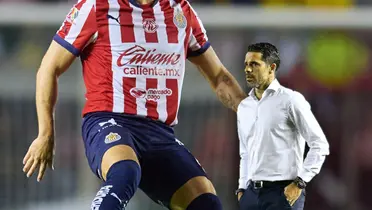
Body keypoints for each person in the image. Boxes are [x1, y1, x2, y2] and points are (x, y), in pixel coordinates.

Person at [21, 0, 247, 209]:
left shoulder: (181, 11)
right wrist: (45, 133)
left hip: (160, 133)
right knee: (125, 172)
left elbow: (219, 77)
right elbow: (49, 68)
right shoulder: (97, 6)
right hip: (108, 121)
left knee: (206, 203)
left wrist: (254, 114)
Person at [236, 42, 330, 210]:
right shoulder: (244, 107)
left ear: (271, 67)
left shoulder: (290, 100)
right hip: (251, 194)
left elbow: (320, 145)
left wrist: (300, 183)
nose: (248, 70)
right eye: (246, 64)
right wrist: (242, 189)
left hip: (283, 192)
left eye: (255, 64)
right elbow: (245, 152)